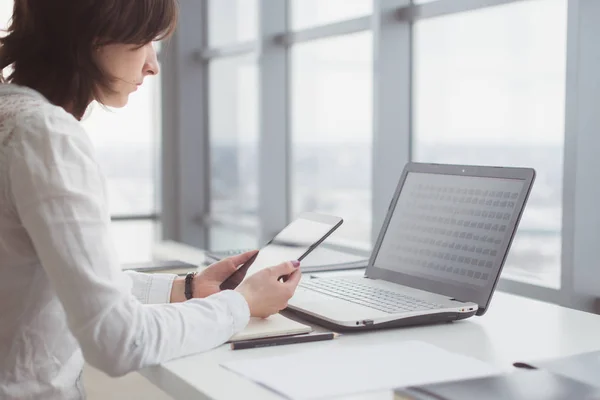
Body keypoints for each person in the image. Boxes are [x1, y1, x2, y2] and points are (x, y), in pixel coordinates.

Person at [0, 1, 302, 399]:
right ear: (94, 35)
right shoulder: (46, 137)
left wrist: (185, 288)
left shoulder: (12, 117)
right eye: (143, 41)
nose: (152, 65)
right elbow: (120, 341)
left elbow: (52, 281)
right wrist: (242, 305)